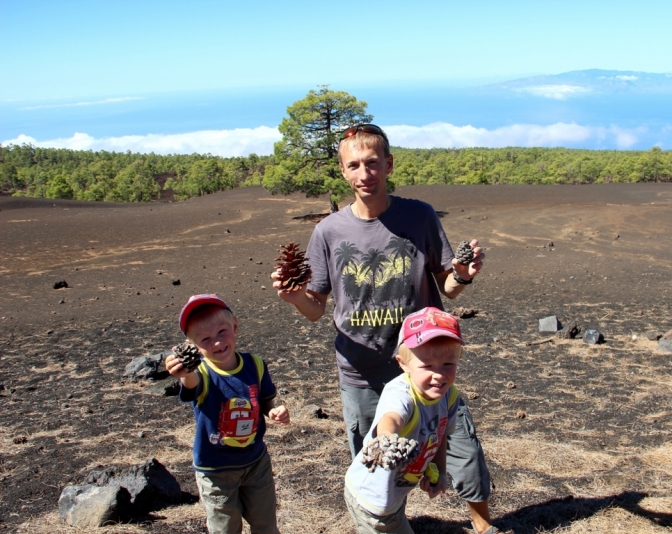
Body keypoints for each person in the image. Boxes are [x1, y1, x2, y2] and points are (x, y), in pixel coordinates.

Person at [272, 124, 501, 533]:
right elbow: (315, 308)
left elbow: (448, 289)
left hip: (425, 363)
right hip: (361, 371)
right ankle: (390, 524)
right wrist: (292, 297)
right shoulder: (328, 232)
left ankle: (484, 526)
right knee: (378, 463)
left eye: (373, 163)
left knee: (462, 446)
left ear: (389, 164)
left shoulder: (419, 216)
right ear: (343, 171)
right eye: (354, 165)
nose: (365, 174)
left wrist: (463, 275)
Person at [165, 294, 290, 534]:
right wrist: (183, 371)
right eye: (205, 339)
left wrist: (274, 411)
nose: (216, 343)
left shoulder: (255, 365)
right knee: (225, 528)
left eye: (222, 331)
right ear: (193, 346)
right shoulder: (200, 372)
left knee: (266, 524)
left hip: (256, 463)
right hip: (216, 471)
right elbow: (191, 384)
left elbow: (264, 400)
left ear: (235, 325)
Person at [344, 307, 464, 533]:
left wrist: (438, 470)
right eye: (427, 366)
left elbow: (440, 436)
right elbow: (391, 418)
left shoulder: (449, 396)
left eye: (448, 364)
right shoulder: (400, 393)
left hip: (394, 493)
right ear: (403, 363)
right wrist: (387, 438)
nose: (438, 374)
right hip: (373, 501)